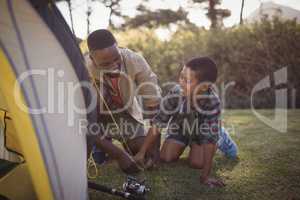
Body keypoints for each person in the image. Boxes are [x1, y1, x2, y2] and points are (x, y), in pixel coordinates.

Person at [134, 57, 225, 187]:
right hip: (181, 128)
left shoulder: (212, 102)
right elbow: (158, 122)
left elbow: (208, 141)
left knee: (197, 163)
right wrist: (141, 153)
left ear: (204, 87)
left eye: (186, 80)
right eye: (181, 77)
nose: (180, 82)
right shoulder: (176, 92)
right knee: (166, 157)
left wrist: (205, 176)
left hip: (202, 133)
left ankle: (222, 137)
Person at [86, 29, 161, 173]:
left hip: (125, 113)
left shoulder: (135, 60)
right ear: (91, 58)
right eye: (106, 64)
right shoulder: (82, 69)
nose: (114, 65)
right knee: (97, 159)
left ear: (118, 47)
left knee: (142, 150)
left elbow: (154, 105)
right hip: (95, 117)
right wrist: (119, 156)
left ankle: (121, 144)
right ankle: (100, 144)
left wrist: (155, 149)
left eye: (116, 59)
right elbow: (83, 122)